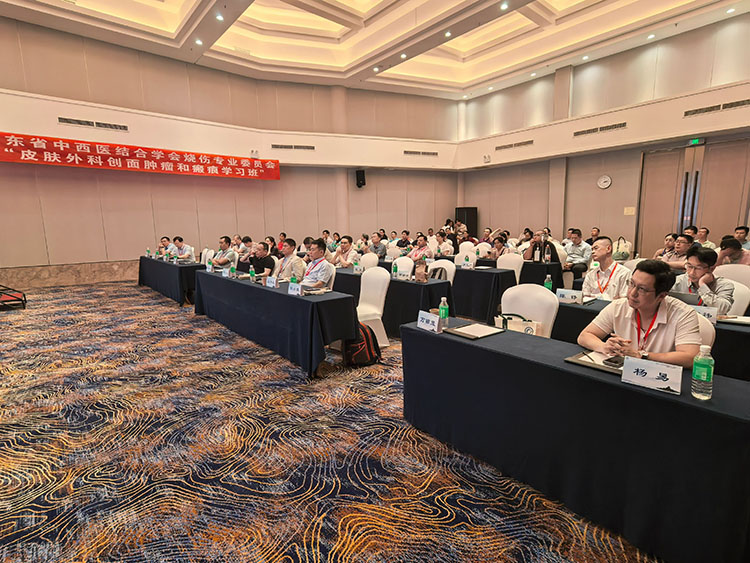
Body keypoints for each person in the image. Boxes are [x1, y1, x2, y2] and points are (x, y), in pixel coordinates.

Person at [577, 260, 701, 369]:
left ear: (661, 296)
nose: (632, 293)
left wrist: (642, 355)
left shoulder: (683, 314)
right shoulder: (619, 306)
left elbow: (690, 358)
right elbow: (584, 336)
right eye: (631, 284)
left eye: (642, 289)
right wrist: (605, 347)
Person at [672, 246, 734, 315]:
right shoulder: (678, 281)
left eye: (698, 268)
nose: (691, 272)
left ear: (711, 269)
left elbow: (722, 309)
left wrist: (702, 285)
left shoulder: (724, 285)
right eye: (689, 266)